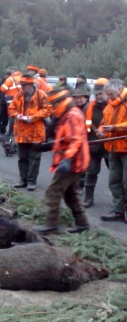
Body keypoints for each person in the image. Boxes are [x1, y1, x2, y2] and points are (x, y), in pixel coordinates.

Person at [34, 88, 90, 234]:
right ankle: (82, 224)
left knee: (54, 190)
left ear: (60, 102)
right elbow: (67, 138)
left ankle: (51, 224)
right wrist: (49, 145)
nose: (52, 107)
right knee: (70, 193)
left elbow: (76, 140)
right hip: (74, 161)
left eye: (53, 103)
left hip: (73, 162)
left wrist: (67, 158)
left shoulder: (72, 115)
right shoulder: (67, 114)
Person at [8, 74, 51, 191]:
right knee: (22, 157)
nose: (22, 87)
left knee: (35, 158)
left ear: (31, 85)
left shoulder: (41, 95)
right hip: (22, 132)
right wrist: (18, 116)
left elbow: (48, 109)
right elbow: (11, 109)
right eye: (21, 85)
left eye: (24, 85)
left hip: (36, 132)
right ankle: (23, 179)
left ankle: (31, 181)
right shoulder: (18, 95)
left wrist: (33, 117)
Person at [97, 79, 127, 222]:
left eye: (111, 94)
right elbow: (104, 123)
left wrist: (115, 128)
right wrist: (100, 131)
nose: (109, 98)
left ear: (120, 89)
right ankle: (117, 210)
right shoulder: (109, 106)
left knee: (126, 181)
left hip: (126, 148)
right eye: (108, 95)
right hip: (113, 147)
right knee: (114, 181)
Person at [82, 78, 109, 208]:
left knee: (119, 177)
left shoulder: (116, 106)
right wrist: (94, 130)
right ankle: (88, 198)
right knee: (91, 172)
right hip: (93, 144)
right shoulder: (89, 107)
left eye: (100, 94)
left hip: (111, 146)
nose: (98, 96)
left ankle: (120, 203)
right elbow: (85, 122)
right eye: (96, 94)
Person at [71, 87, 91, 191]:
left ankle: (81, 185)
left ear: (86, 98)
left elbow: (89, 125)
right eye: (76, 98)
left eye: (80, 98)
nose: (78, 100)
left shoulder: (89, 108)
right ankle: (77, 185)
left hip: (87, 140)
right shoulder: (75, 108)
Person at [1, 67, 22, 134]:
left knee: (12, 114)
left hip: (11, 99)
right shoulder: (23, 78)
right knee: (20, 114)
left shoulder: (10, 79)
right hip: (20, 98)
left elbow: (3, 89)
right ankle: (19, 130)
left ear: (13, 73)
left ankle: (11, 131)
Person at [0, 70, 11, 134]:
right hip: (1, 102)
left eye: (9, 75)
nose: (8, 76)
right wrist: (1, 96)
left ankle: (3, 130)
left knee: (6, 118)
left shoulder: (11, 83)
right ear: (4, 75)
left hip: (8, 103)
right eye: (7, 74)